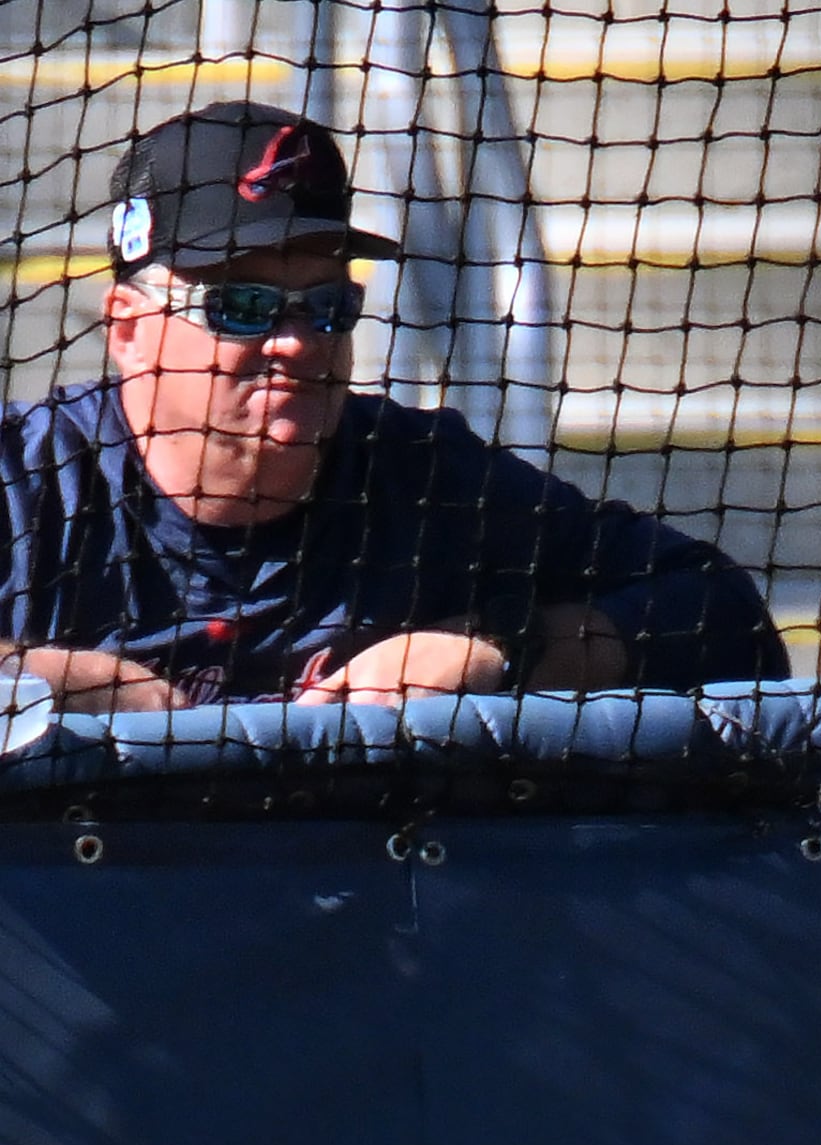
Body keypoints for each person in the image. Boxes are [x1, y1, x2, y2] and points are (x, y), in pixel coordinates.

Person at [0, 105, 781, 710]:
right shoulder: (27, 486)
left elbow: (725, 615)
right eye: (243, 305)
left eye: (329, 307)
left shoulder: (426, 479)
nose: (298, 342)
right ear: (129, 330)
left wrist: (498, 648)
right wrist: (28, 679)